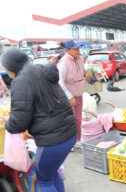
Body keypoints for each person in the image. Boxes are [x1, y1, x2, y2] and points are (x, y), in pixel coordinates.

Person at [0, 48, 77, 191]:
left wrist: (7, 120)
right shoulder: (41, 71)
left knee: (45, 180)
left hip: (53, 141)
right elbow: (42, 106)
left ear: (11, 67)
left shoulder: (20, 82)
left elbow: (18, 124)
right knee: (52, 174)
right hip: (70, 133)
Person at [58, 39, 85, 145]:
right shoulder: (63, 63)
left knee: (78, 118)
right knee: (70, 120)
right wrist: (69, 97)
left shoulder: (80, 59)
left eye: (78, 48)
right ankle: (70, 143)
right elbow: (60, 82)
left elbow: (82, 73)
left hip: (79, 94)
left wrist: (87, 75)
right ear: (68, 50)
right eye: (75, 49)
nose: (78, 50)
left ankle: (78, 140)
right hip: (69, 97)